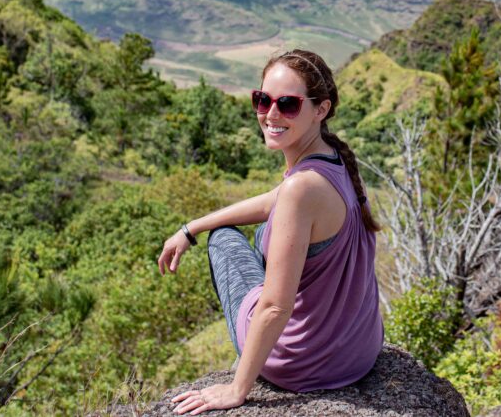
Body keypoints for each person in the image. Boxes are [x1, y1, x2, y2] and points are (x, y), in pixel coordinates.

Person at [157, 48, 384, 415]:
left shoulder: (301, 190)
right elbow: (272, 201)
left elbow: (276, 307)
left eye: (288, 105)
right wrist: (191, 227)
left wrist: (237, 389)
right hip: (357, 354)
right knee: (254, 224)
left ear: (320, 109)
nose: (271, 114)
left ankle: (255, 358)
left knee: (224, 239)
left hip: (301, 362)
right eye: (262, 100)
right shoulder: (333, 161)